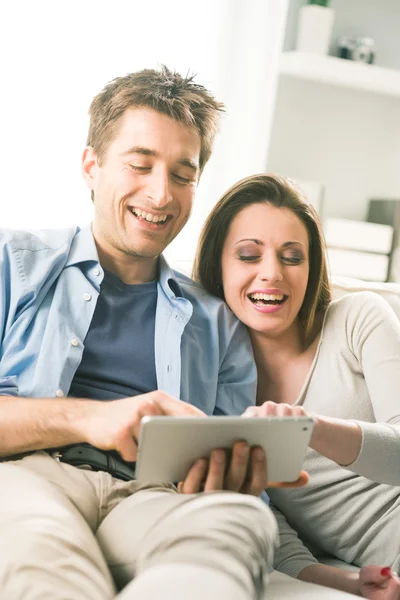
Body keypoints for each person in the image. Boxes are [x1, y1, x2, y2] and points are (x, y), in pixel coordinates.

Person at [0, 67, 280, 600]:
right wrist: (91, 417)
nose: (161, 193)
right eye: (140, 165)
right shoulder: (13, 265)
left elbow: (231, 481)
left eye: (182, 174)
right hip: (28, 477)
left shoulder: (219, 323)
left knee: (242, 522)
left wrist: (234, 475)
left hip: (152, 497)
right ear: (91, 166)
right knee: (37, 548)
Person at [193, 172, 400, 599]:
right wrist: (344, 581)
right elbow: (267, 523)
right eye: (249, 255)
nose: (272, 274)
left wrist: (308, 428)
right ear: (218, 265)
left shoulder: (358, 319)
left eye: (292, 257)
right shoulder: (212, 389)